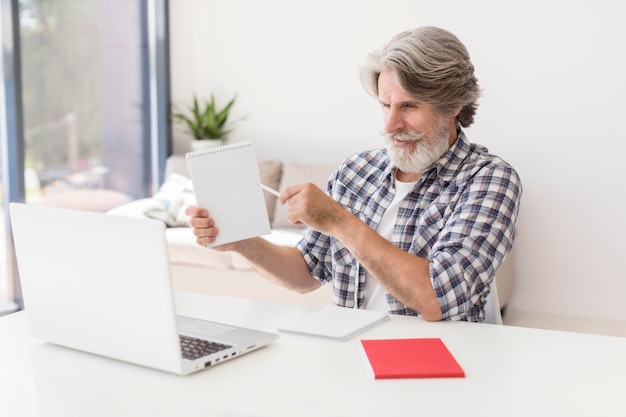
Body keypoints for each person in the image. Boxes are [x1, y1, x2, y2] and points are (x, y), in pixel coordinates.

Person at [185, 26, 522, 322]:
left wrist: (338, 221)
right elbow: (306, 273)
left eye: (409, 106)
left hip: (440, 364)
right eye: (385, 105)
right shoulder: (356, 171)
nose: (390, 126)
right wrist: (243, 242)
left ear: (454, 105)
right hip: (352, 354)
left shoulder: (489, 180)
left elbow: (435, 299)